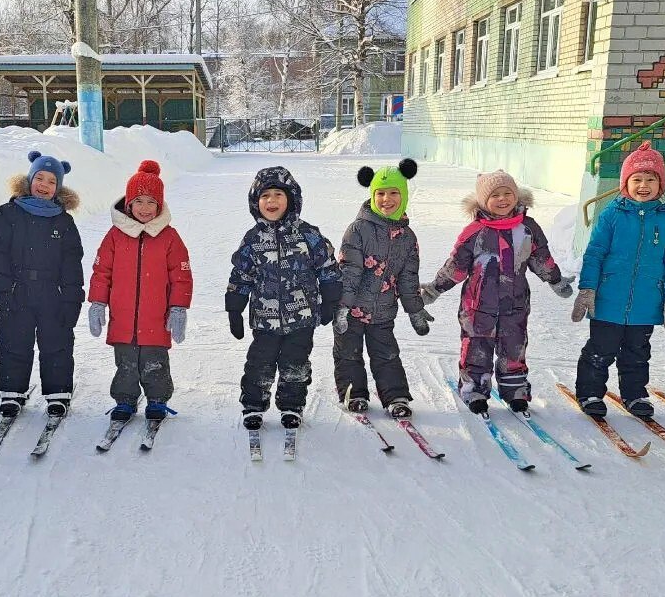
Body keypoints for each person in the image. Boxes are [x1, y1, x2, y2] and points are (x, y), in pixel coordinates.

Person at [420, 170, 574, 414]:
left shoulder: (527, 228)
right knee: (477, 347)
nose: (503, 199)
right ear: (483, 201)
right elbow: (456, 267)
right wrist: (434, 290)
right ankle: (475, 390)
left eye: (507, 193)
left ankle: (515, 390)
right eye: (495, 195)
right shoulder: (475, 232)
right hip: (478, 305)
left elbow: (540, 258)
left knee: (514, 346)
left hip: (515, 303)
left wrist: (555, 281)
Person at [571, 141, 665, 418]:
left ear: (661, 185)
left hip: (646, 303)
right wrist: (587, 289)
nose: (643, 185)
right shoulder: (612, 215)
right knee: (600, 351)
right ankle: (589, 393)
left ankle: (635, 395)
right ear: (625, 183)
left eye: (650, 179)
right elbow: (595, 254)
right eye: (637, 179)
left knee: (637, 353)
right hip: (608, 300)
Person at [227, 166, 342, 430]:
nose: (271, 201)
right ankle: (254, 404)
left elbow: (328, 270)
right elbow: (242, 274)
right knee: (259, 362)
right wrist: (235, 307)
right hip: (265, 321)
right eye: (265, 195)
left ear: (291, 199)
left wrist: (330, 301)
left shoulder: (309, 235)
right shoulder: (253, 239)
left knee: (296, 364)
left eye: (278, 194)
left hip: (302, 318)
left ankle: (292, 405)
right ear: (256, 202)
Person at [88, 160, 193, 422]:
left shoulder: (169, 237)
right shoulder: (115, 235)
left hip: (156, 317)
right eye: (139, 201)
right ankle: (125, 399)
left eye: (151, 202)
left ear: (159, 206)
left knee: (154, 362)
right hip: (122, 318)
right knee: (125, 363)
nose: (145, 208)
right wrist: (97, 303)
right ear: (129, 204)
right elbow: (102, 273)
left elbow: (181, 276)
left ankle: (157, 399)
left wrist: (178, 308)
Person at [0, 150, 84, 418]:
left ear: (59, 188)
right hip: (17, 290)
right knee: (13, 340)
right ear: (29, 180)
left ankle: (57, 392)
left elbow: (72, 262)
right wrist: (1, 289)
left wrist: (73, 298)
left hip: (52, 292)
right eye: (39, 178)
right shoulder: (8, 214)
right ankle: (12, 391)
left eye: (52, 181)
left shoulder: (63, 221)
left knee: (57, 341)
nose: (44, 185)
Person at [333, 158, 434, 418]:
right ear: (372, 194)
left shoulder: (408, 238)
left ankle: (395, 395)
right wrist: (342, 307)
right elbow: (349, 271)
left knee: (387, 355)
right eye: (380, 193)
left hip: (383, 311)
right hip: (352, 310)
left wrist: (415, 310)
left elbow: (408, 278)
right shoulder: (358, 230)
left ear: (404, 195)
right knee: (349, 354)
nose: (386, 199)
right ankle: (354, 394)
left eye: (393, 193)